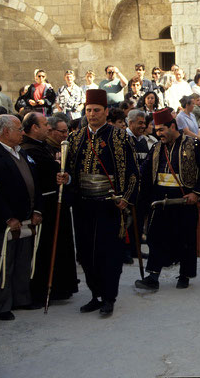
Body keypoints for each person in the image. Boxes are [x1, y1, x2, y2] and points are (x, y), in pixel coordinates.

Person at [57, 89, 139, 317]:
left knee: (108, 253)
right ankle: (95, 294)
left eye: (96, 110)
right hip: (84, 204)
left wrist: (126, 197)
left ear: (105, 112)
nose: (92, 114)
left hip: (110, 204)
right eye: (88, 110)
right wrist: (67, 178)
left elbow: (132, 173)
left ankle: (109, 297)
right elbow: (72, 171)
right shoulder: (75, 138)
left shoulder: (120, 137)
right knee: (85, 253)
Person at [135, 108, 200, 290]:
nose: (159, 134)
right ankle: (153, 276)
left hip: (184, 201)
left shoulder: (193, 145)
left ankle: (185, 276)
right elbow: (145, 172)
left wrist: (196, 193)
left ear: (173, 127)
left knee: (185, 240)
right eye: (156, 131)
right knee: (155, 238)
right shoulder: (156, 148)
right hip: (160, 202)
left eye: (161, 130)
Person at [20, 113, 78, 305]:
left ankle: (61, 287)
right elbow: (49, 170)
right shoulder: (29, 149)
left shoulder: (41, 146)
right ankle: (43, 290)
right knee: (44, 251)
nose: (48, 128)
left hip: (55, 203)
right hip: (45, 206)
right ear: (35, 128)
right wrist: (56, 165)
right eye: (45, 125)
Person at [0, 115, 43, 320]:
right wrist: (7, 217)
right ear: (6, 132)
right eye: (18, 129)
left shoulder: (21, 151)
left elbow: (35, 181)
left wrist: (37, 210)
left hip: (26, 216)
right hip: (5, 221)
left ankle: (22, 298)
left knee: (23, 260)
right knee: (3, 262)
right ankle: (1, 306)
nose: (22, 133)